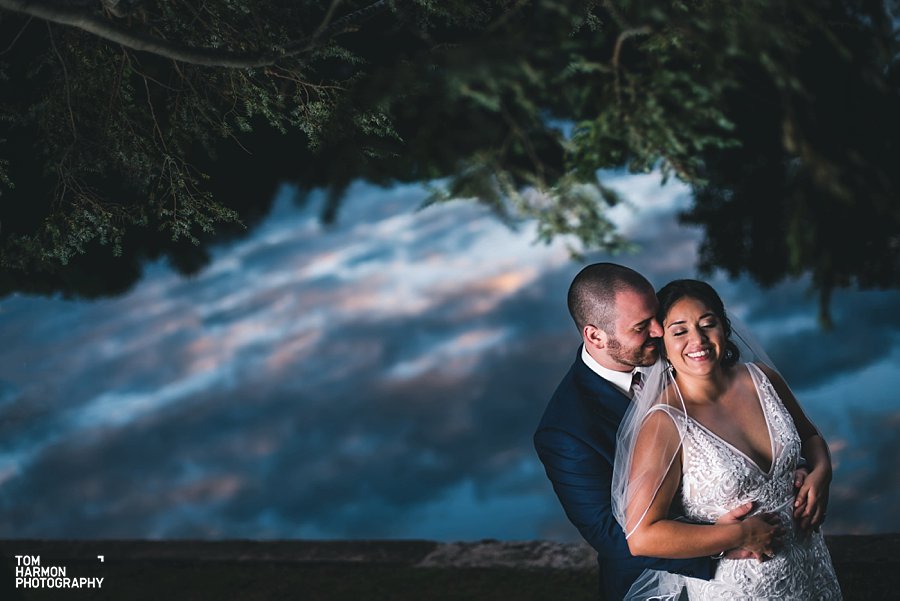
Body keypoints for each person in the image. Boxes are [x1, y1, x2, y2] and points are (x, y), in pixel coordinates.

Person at [533, 263, 779, 600]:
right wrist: (724, 541)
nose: (659, 331)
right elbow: (609, 534)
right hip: (658, 584)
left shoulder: (677, 348)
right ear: (595, 336)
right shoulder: (565, 430)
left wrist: (795, 466)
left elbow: (739, 415)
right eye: (641, 327)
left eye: (656, 316)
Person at [613, 278, 841, 599]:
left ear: (724, 327)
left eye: (708, 324)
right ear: (662, 343)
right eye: (679, 331)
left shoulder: (762, 378)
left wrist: (822, 472)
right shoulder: (664, 422)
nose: (698, 340)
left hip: (811, 566)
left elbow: (810, 436)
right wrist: (739, 534)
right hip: (739, 587)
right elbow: (642, 538)